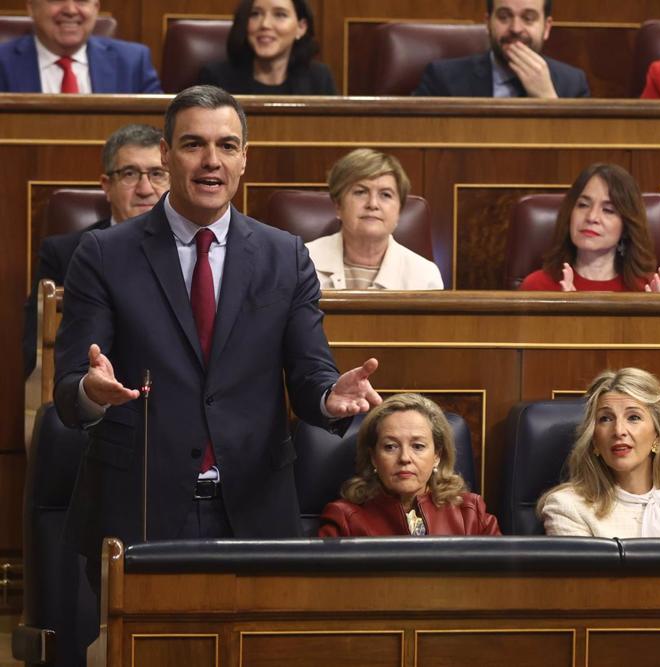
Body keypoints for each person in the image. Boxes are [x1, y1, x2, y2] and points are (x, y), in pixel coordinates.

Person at [54, 86, 382, 585]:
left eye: (227, 146)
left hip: (255, 510)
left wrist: (328, 396)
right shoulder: (104, 254)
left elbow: (310, 371)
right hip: (138, 511)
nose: (212, 160)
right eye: (194, 144)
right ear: (166, 154)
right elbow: (70, 388)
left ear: (244, 158)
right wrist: (91, 392)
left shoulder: (285, 255)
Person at [23, 124, 169, 379]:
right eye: (130, 174)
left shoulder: (194, 248)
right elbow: (35, 352)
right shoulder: (64, 253)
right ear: (107, 186)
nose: (145, 189)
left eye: (157, 174)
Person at [538, 368, 660, 538]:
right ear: (594, 439)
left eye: (633, 417)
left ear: (658, 434)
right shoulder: (568, 507)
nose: (619, 431)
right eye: (606, 419)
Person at [318, 393, 500, 536]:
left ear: (437, 456)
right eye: (390, 446)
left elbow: (502, 573)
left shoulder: (470, 513)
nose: (405, 458)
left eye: (418, 446)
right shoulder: (344, 519)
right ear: (373, 457)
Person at [518, 163, 660, 292]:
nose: (591, 217)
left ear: (626, 226)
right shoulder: (537, 287)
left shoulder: (650, 289)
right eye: (583, 205)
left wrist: (659, 312)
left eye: (608, 210)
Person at [305, 149, 443, 290]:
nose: (373, 204)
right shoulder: (300, 263)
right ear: (338, 206)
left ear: (399, 211)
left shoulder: (425, 276)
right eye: (360, 192)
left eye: (385, 195)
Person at [413, 0, 589, 98]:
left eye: (528, 18)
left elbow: (581, 149)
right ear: (488, 23)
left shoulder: (573, 84)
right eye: (504, 17)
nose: (516, 29)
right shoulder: (442, 79)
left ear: (547, 27)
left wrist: (548, 100)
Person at [0, 0, 160, 93]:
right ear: (31, 7)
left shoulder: (133, 62)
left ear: (96, 8)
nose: (70, 10)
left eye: (82, 0)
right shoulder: (3, 63)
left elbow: (157, 128)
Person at [197, 0, 337, 95]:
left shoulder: (319, 79)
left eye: (280, 14)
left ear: (301, 27)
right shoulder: (215, 78)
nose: (265, 24)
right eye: (255, 14)